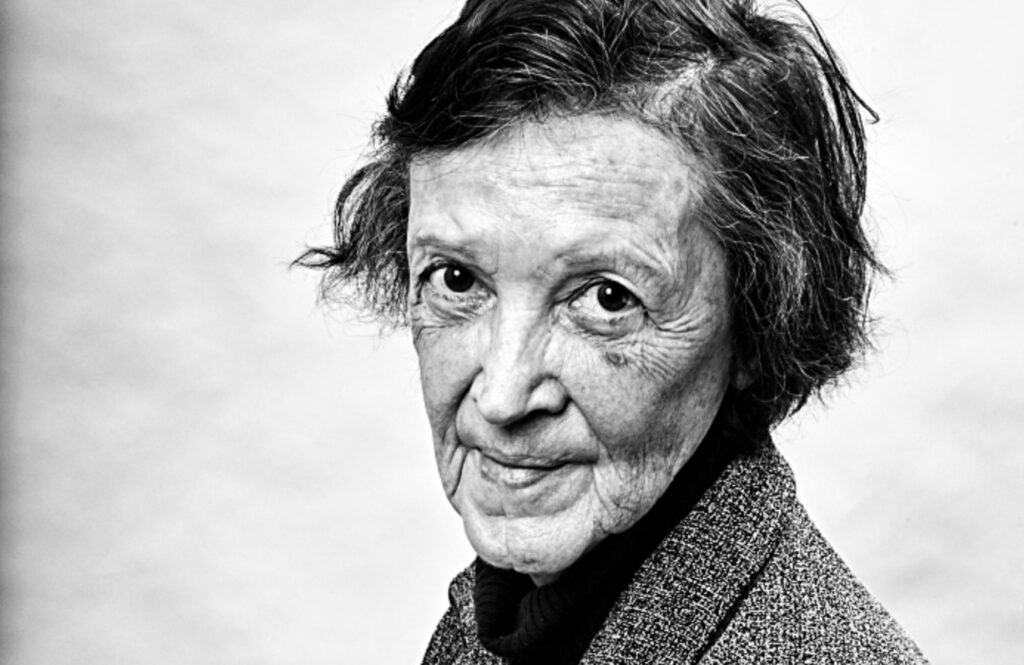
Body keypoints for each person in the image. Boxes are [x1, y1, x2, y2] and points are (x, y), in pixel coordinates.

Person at [299, 0, 929, 662]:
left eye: (607, 298)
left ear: (756, 323)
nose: (502, 397)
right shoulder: (504, 622)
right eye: (457, 280)